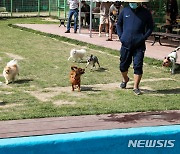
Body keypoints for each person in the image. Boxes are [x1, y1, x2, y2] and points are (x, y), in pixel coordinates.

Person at [116, 2, 153, 95]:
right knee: (123, 66)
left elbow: (150, 27)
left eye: (135, 2)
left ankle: (136, 87)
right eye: (131, 2)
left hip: (139, 45)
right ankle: (125, 79)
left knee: (138, 66)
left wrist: (143, 37)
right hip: (125, 44)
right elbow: (119, 24)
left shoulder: (145, 13)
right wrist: (121, 36)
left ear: (139, 2)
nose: (133, 3)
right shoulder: (125, 11)